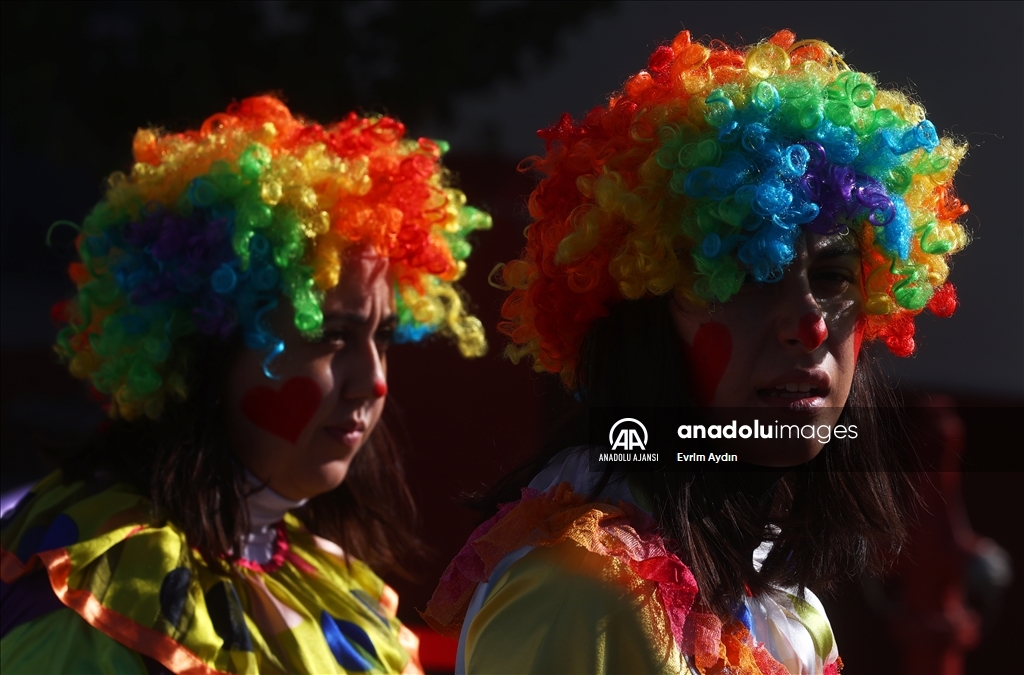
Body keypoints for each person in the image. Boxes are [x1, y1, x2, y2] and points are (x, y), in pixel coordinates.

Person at [425, 29, 969, 674]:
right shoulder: (585, 593)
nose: (810, 326)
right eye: (746, 277)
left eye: (832, 279)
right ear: (644, 311)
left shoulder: (789, 610)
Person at [0, 95, 491, 674]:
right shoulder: (92, 583)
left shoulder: (326, 583)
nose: (375, 383)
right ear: (205, 344)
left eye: (383, 338)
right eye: (332, 336)